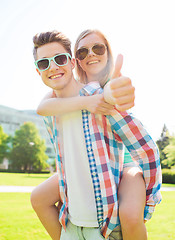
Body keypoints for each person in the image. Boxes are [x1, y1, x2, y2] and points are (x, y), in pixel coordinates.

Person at [30, 30, 162, 240]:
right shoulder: (53, 107)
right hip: (75, 219)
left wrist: (114, 93)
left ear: (71, 62)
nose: (53, 66)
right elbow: (43, 108)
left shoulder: (99, 95)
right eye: (44, 63)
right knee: (38, 197)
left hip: (123, 165)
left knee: (129, 214)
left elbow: (144, 146)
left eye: (60, 59)